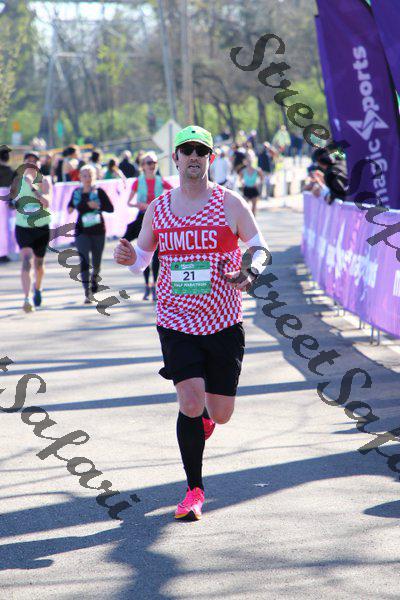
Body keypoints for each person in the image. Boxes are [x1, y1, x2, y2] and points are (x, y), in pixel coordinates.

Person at [114, 125, 269, 521]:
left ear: (211, 158)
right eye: (187, 150)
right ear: (176, 158)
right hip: (175, 319)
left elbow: (260, 248)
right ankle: (194, 490)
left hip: (223, 320)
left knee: (220, 412)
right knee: (189, 401)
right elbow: (142, 260)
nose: (194, 156)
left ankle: (206, 419)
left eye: (202, 150)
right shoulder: (159, 208)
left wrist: (251, 272)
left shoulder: (230, 203)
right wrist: (130, 259)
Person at [124, 151, 173, 300]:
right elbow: (129, 202)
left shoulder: (160, 181)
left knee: (157, 255)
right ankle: (147, 285)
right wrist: (139, 204)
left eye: (154, 163)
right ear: (143, 166)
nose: (152, 165)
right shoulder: (138, 181)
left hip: (158, 219)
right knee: (144, 253)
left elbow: (175, 193)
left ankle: (156, 286)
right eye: (149, 163)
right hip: (143, 218)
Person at [11, 151, 52, 312]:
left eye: (34, 162)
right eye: (28, 161)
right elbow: (13, 201)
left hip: (41, 227)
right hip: (23, 227)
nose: (31, 165)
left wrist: (33, 187)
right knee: (26, 261)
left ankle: (38, 288)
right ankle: (27, 298)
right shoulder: (17, 181)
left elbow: (47, 202)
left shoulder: (45, 181)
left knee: (39, 265)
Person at [67, 165, 114, 304]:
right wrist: (79, 205)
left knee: (96, 263)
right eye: (84, 176)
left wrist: (98, 206)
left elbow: (110, 208)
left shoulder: (99, 192)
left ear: (95, 177)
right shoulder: (77, 193)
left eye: (90, 175)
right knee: (84, 261)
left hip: (98, 231)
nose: (87, 178)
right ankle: (87, 292)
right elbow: (70, 207)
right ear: (80, 178)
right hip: (82, 231)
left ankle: (94, 280)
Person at [0, 144, 15, 263]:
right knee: (3, 228)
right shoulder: (10, 171)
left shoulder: (10, 171)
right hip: (4, 202)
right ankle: (3, 253)